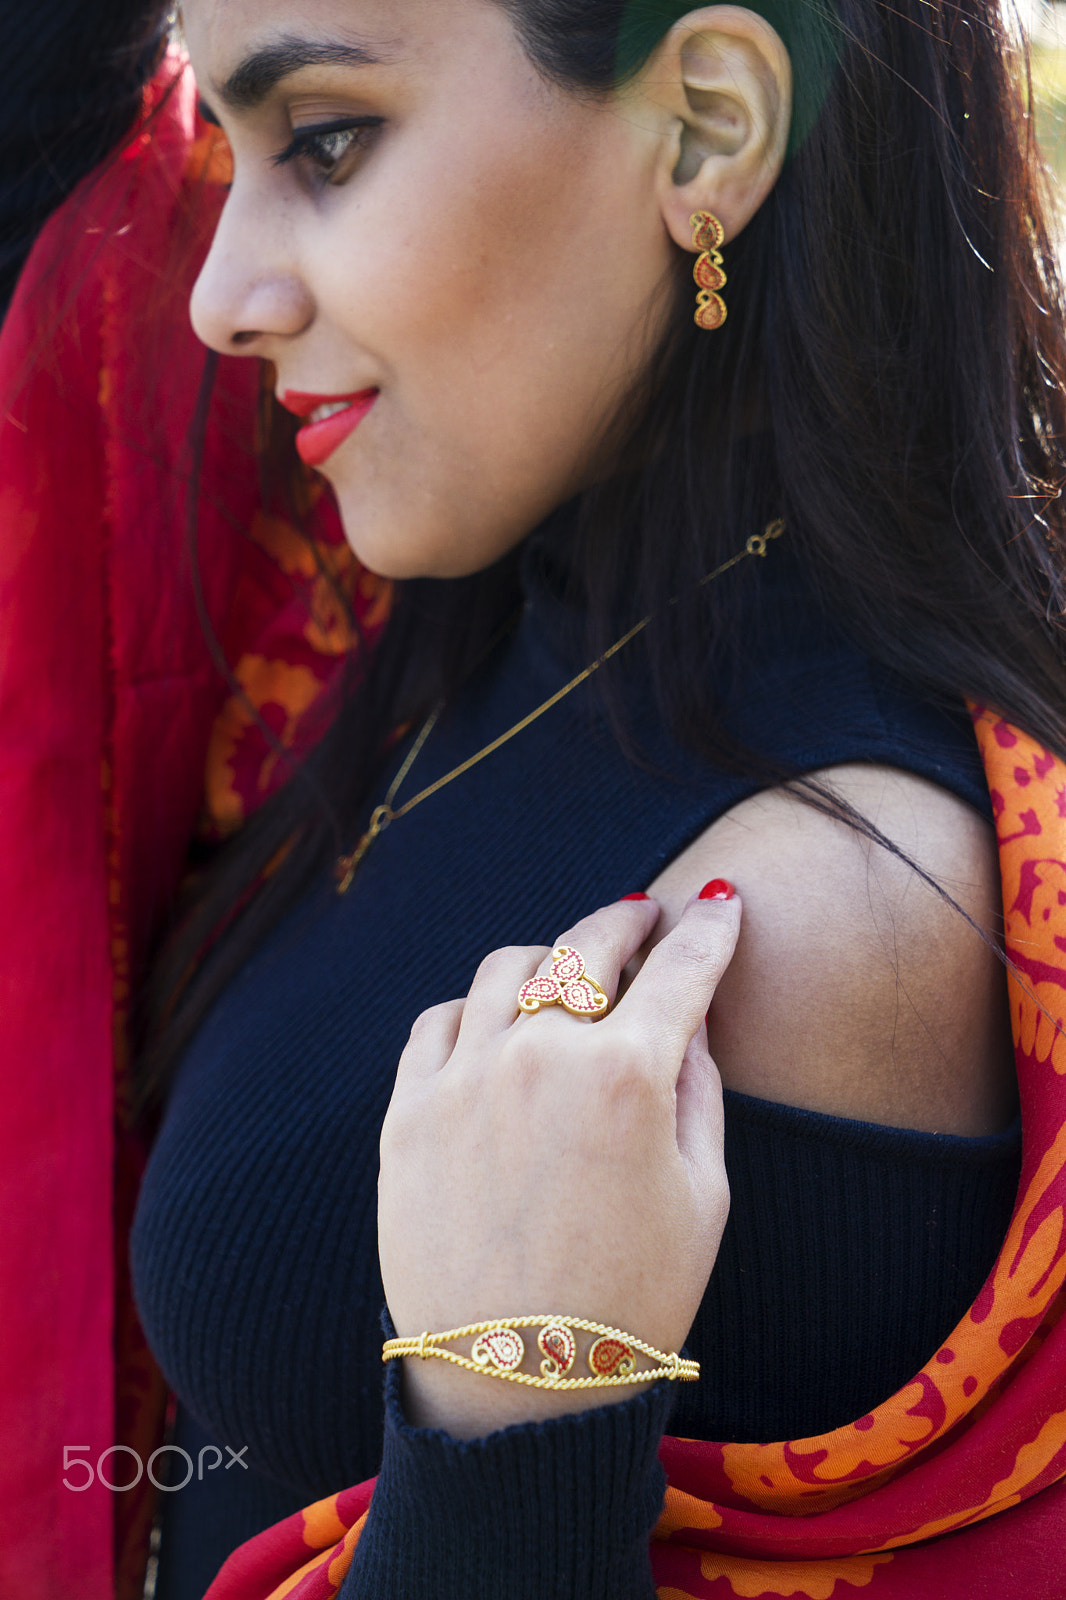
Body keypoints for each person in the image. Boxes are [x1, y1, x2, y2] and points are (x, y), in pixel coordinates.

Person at [4, 1, 1066, 1597]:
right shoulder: (475, 573)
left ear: (705, 129)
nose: (223, 295)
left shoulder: (801, 922)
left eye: (326, 144)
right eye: (226, 158)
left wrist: (510, 1415)